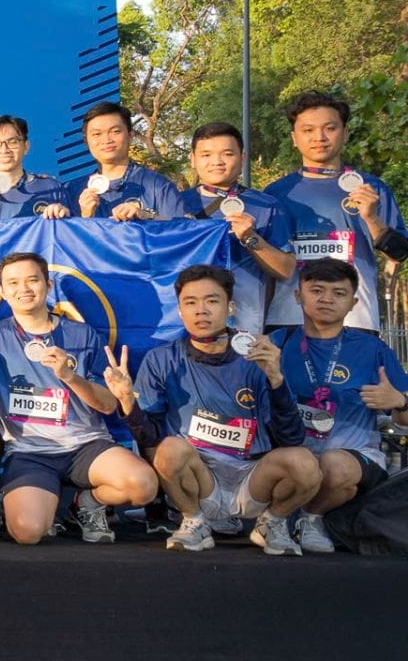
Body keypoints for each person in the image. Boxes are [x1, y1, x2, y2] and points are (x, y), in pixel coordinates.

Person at [108, 265, 321, 554]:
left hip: (252, 477)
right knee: (169, 449)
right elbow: (150, 441)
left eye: (212, 300)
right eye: (191, 303)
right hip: (200, 478)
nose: (201, 310)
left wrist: (276, 379)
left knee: (304, 462)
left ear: (230, 306)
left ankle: (272, 522)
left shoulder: (257, 357)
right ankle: (194, 521)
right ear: (180, 311)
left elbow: (291, 439)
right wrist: (128, 403)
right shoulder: (162, 360)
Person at [0, 253, 158, 545]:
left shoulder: (82, 334)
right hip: (29, 452)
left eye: (32, 280)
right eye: (13, 282)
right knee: (27, 532)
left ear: (48, 284)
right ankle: (18, 499)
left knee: (143, 486)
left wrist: (69, 375)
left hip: (86, 446)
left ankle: (87, 503)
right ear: (3, 291)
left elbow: (108, 405)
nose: (24, 288)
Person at [275, 258, 408, 553]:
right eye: (317, 290)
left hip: (352, 457)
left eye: (338, 293)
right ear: (299, 296)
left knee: (334, 467)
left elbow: (405, 416)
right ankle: (275, 519)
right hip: (291, 457)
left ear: (353, 302)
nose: (326, 299)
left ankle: (311, 518)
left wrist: (399, 400)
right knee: (301, 464)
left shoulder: (373, 349)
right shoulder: (277, 343)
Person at [264, 91, 407, 335]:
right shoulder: (274, 194)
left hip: (355, 318)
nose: (319, 137)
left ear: (345, 133)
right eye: (308, 130)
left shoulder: (371, 188)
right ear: (294, 138)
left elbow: (400, 253)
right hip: (288, 318)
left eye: (329, 128)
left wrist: (371, 218)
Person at [180, 121, 295, 336]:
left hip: (245, 325)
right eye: (206, 155)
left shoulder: (267, 206)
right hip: (186, 325)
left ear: (242, 158)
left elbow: (286, 270)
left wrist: (251, 238)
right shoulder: (176, 204)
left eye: (227, 154)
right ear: (193, 160)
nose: (217, 162)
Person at [67, 103, 183, 222]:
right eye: (97, 134)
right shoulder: (71, 191)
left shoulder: (158, 186)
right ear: (86, 141)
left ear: (130, 135)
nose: (106, 140)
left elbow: (183, 230)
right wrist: (86, 217)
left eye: (115, 131)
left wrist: (145, 214)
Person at [0, 115, 70, 221]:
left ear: (26, 146)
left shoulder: (51, 187)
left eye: (12, 142)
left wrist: (63, 217)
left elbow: (70, 235)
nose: (4, 150)